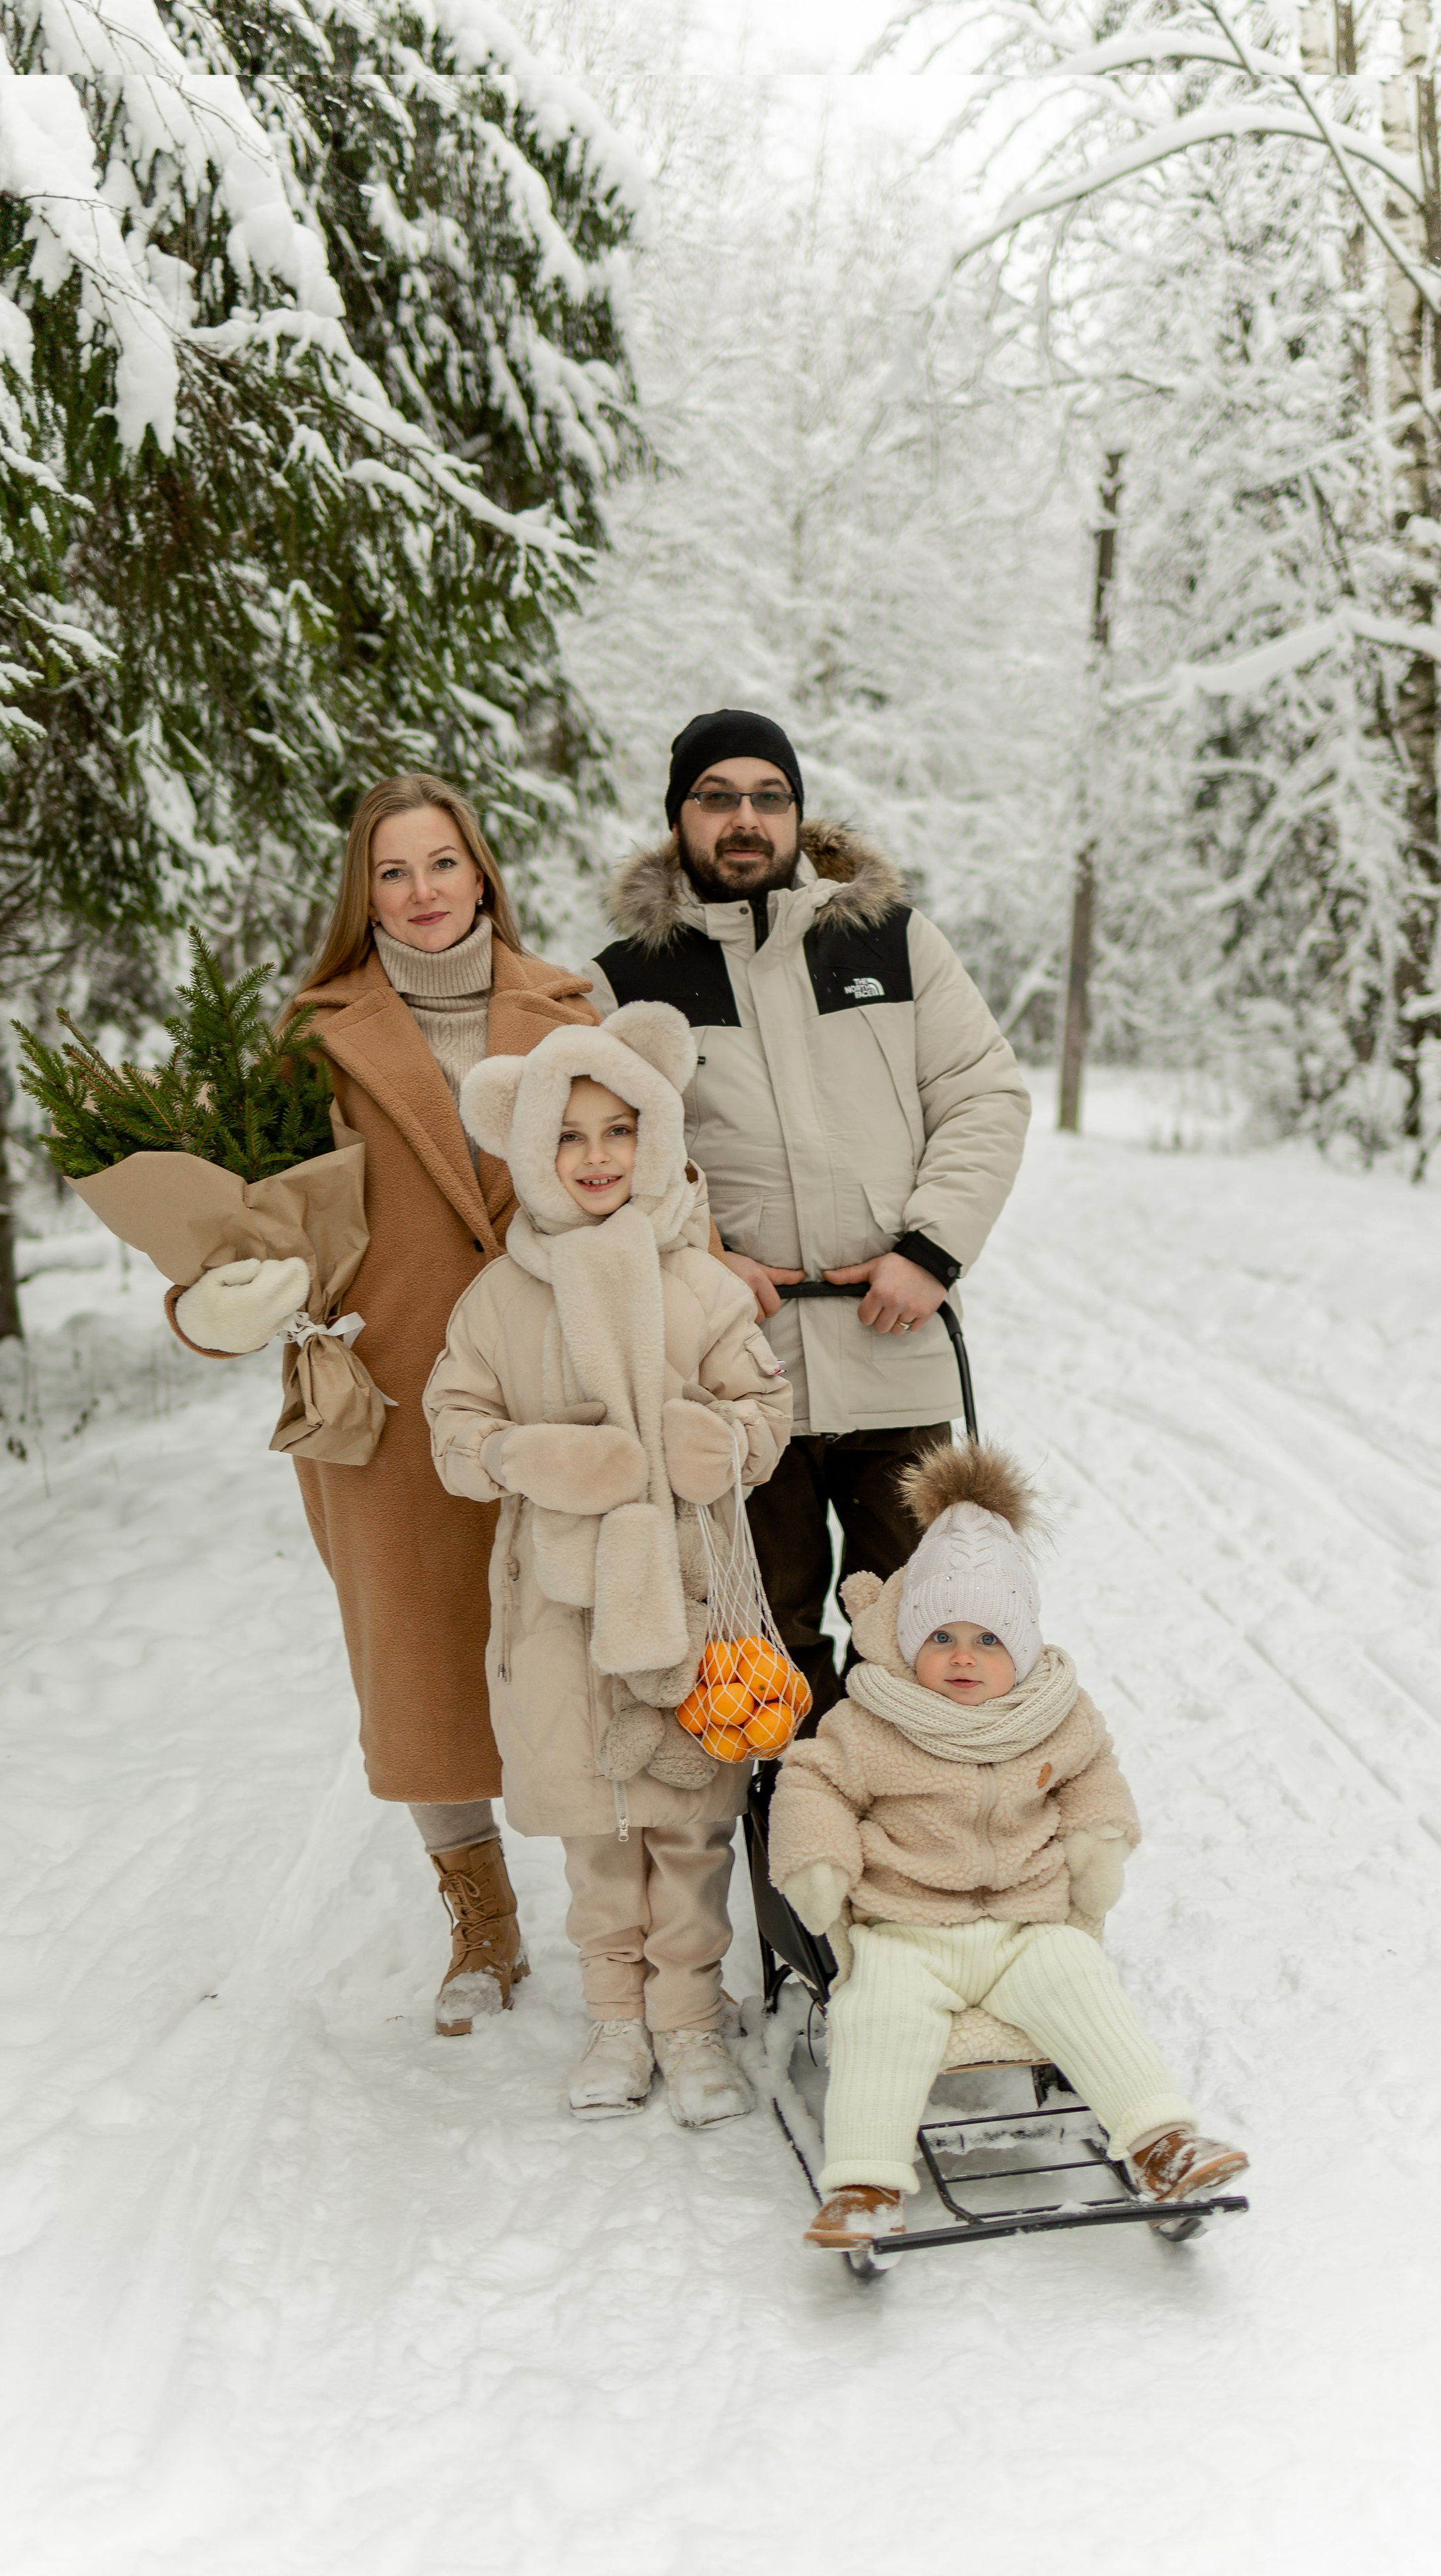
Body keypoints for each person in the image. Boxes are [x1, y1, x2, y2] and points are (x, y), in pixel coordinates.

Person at [169, 776, 596, 2037]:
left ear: (483, 872)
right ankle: (482, 1920)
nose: (421, 894)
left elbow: (644, 1168)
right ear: (365, 892)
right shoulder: (313, 1037)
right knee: (418, 1660)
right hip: (388, 1385)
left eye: (442, 864)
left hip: (558, 1377)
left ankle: (624, 1924)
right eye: (394, 873)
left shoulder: (569, 1007)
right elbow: (238, 1226)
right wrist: (222, 1301)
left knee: (584, 1641)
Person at [590, 709, 1030, 1721]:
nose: (745, 819)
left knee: (928, 1633)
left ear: (796, 813)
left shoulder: (895, 942)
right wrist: (702, 1262)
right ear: (679, 817)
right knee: (764, 1646)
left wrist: (929, 1250)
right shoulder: (626, 981)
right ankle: (796, 1859)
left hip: (897, 1351)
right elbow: (612, 1165)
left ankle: (918, 1865)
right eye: (718, 798)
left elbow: (983, 1096)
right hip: (738, 1378)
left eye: (768, 797)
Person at [423, 1002, 794, 2126]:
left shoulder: (701, 1284)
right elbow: (454, 1430)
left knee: (689, 1824)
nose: (595, 1157)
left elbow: (763, 1407)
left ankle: (687, 2019)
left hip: (689, 1598)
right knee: (600, 1825)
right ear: (530, 1149)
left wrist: (726, 1443)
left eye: (618, 1131)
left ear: (659, 1135)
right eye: (569, 1136)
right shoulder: (501, 1295)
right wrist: (525, 1454)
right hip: (563, 1605)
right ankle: (615, 2015)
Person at [767, 1442, 1250, 2251]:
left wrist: (1098, 1838)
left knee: (1079, 1979)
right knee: (876, 2014)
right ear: (908, 1641)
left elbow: (1093, 1775)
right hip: (906, 1929)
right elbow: (811, 1781)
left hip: (1027, 1927)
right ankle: (864, 2182)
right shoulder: (871, 1719)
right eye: (942, 1637)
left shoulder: (1056, 1716)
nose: (964, 1657)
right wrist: (819, 1858)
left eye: (989, 1640)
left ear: (1021, 1648)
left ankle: (1161, 2142)